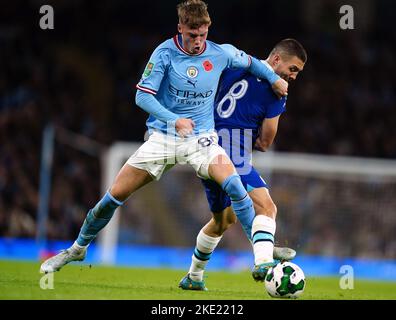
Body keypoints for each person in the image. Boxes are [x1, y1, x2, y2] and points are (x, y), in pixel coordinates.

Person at [40, 0, 288, 274]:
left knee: (235, 186)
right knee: (112, 197)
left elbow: (253, 63)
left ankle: (263, 256)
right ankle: (77, 249)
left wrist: (274, 79)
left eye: (202, 34)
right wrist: (174, 119)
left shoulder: (221, 53)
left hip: (201, 140)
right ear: (180, 27)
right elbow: (142, 96)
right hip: (163, 138)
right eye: (192, 35)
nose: (197, 41)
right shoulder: (164, 54)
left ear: (208, 28)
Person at [179, 39, 307, 290]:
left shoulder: (235, 66)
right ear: (277, 59)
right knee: (267, 207)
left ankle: (193, 277)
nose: (293, 76)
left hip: (205, 147)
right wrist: (248, 137)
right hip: (232, 153)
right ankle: (263, 260)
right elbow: (266, 141)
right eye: (293, 69)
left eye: (297, 73)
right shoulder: (277, 91)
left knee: (223, 221)